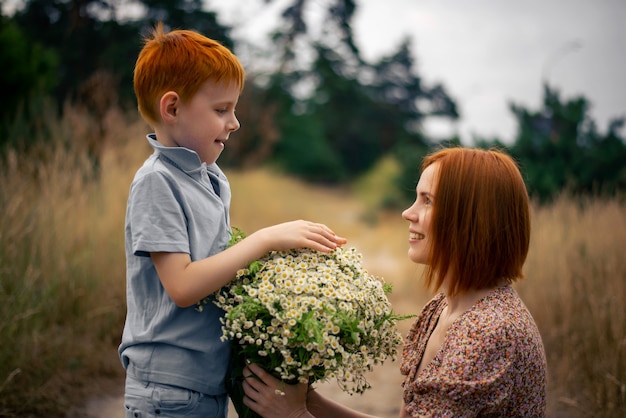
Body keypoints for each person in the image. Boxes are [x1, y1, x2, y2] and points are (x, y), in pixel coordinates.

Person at [118, 23, 346, 418]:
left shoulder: (212, 179)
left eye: (233, 109)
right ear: (171, 109)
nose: (234, 122)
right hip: (168, 388)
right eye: (221, 110)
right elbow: (184, 285)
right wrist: (264, 240)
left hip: (207, 382)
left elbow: (219, 271)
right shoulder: (157, 182)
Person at [241, 147, 547, 417]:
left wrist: (295, 415)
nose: (407, 213)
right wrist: (311, 402)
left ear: (469, 219)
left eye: (427, 201)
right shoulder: (443, 308)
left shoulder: (489, 333)